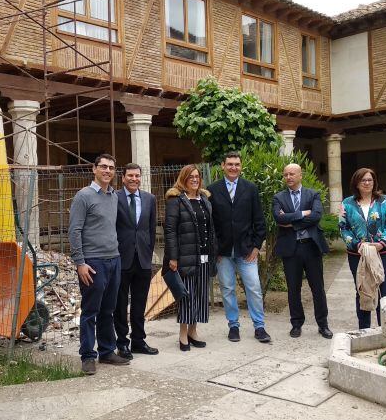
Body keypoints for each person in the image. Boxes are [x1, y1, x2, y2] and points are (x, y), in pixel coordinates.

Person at [69, 154, 129, 375]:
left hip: (114, 259)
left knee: (108, 309)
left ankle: (106, 351)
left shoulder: (113, 196)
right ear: (94, 169)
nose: (107, 171)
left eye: (111, 168)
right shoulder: (83, 196)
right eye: (103, 167)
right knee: (91, 310)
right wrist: (80, 263)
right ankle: (87, 356)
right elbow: (74, 230)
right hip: (93, 262)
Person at [207, 151, 270, 343]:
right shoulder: (212, 190)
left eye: (236, 164)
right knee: (227, 289)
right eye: (230, 164)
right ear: (223, 166)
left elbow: (259, 219)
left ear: (241, 166)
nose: (233, 167)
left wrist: (257, 247)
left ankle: (259, 327)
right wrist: (215, 250)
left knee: (254, 288)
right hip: (223, 253)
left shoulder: (250, 188)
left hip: (246, 250)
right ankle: (233, 326)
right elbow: (210, 224)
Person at [272, 163, 332, 339]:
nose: (288, 177)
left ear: (300, 175)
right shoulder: (278, 197)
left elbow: (316, 216)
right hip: (291, 249)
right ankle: (296, 324)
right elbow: (278, 217)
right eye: (285, 175)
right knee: (293, 289)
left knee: (318, 288)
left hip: (311, 247)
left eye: (292, 174)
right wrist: (303, 214)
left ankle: (323, 325)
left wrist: (291, 222)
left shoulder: (313, 194)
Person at [164, 165, 217, 351]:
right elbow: (170, 230)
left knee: (201, 295)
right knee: (187, 296)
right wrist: (173, 256)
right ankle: (182, 334)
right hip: (185, 256)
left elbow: (210, 229)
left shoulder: (205, 200)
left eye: (197, 176)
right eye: (191, 177)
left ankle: (193, 332)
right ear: (183, 179)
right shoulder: (175, 200)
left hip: (204, 255)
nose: (195, 179)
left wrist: (213, 252)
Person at [339, 167, 386, 329]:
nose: (366, 183)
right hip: (357, 254)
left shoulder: (384, 201)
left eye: (369, 180)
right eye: (363, 180)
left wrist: (381, 243)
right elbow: (343, 228)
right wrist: (357, 244)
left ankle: (385, 330)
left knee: (383, 292)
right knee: (362, 291)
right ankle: (364, 330)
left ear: (374, 182)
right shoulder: (347, 203)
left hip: (383, 252)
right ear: (356, 183)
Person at [114, 163, 159, 359]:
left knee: (140, 304)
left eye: (137, 176)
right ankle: (122, 343)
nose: (134, 179)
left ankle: (139, 341)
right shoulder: (114, 197)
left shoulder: (150, 199)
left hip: (143, 259)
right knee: (120, 303)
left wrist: (148, 253)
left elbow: (151, 229)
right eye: (130, 176)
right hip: (122, 258)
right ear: (123, 178)